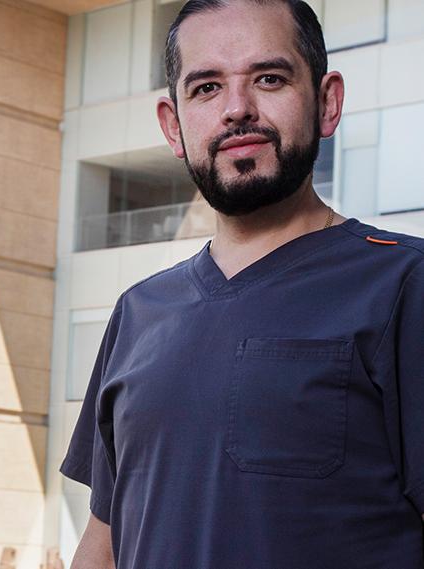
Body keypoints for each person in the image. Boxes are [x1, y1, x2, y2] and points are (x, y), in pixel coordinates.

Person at [60, 0, 424, 567]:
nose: (237, 109)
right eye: (206, 88)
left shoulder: (406, 283)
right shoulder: (139, 312)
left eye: (269, 79)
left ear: (327, 103)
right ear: (172, 125)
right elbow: (104, 542)